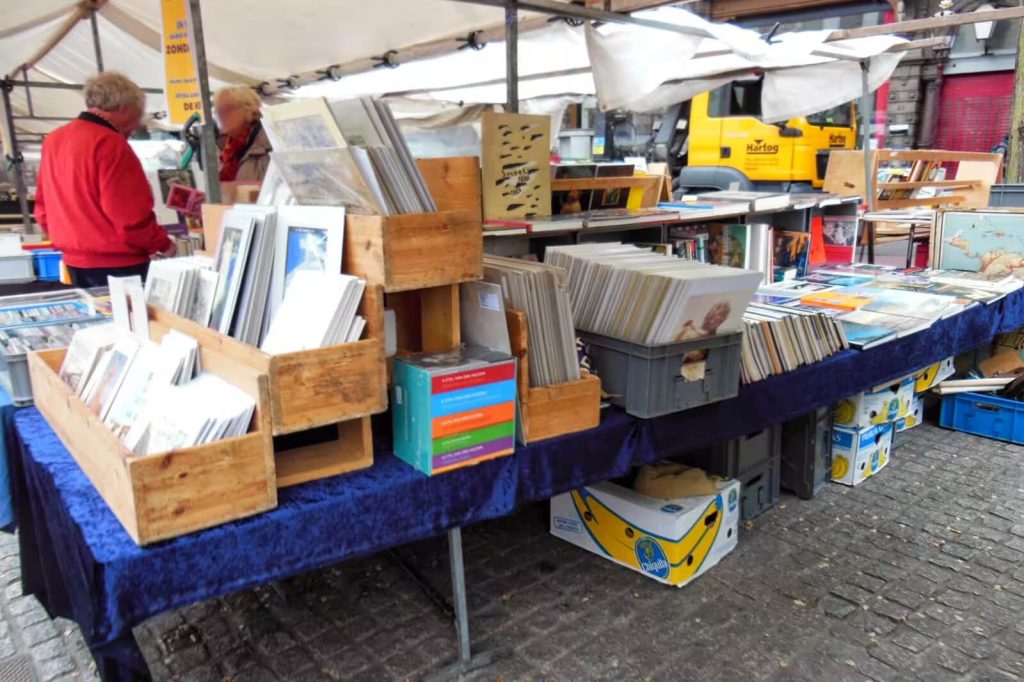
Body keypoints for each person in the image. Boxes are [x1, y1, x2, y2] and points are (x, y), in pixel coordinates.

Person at [34, 72, 175, 288]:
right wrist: (164, 245)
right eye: (138, 114)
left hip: (74, 259)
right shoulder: (111, 143)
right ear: (123, 108)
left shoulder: (54, 140)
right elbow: (129, 216)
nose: (137, 123)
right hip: (119, 264)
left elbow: (43, 207)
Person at [215, 86, 272, 182]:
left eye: (227, 109)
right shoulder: (224, 150)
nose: (221, 116)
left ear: (249, 111)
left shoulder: (269, 143)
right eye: (218, 111)